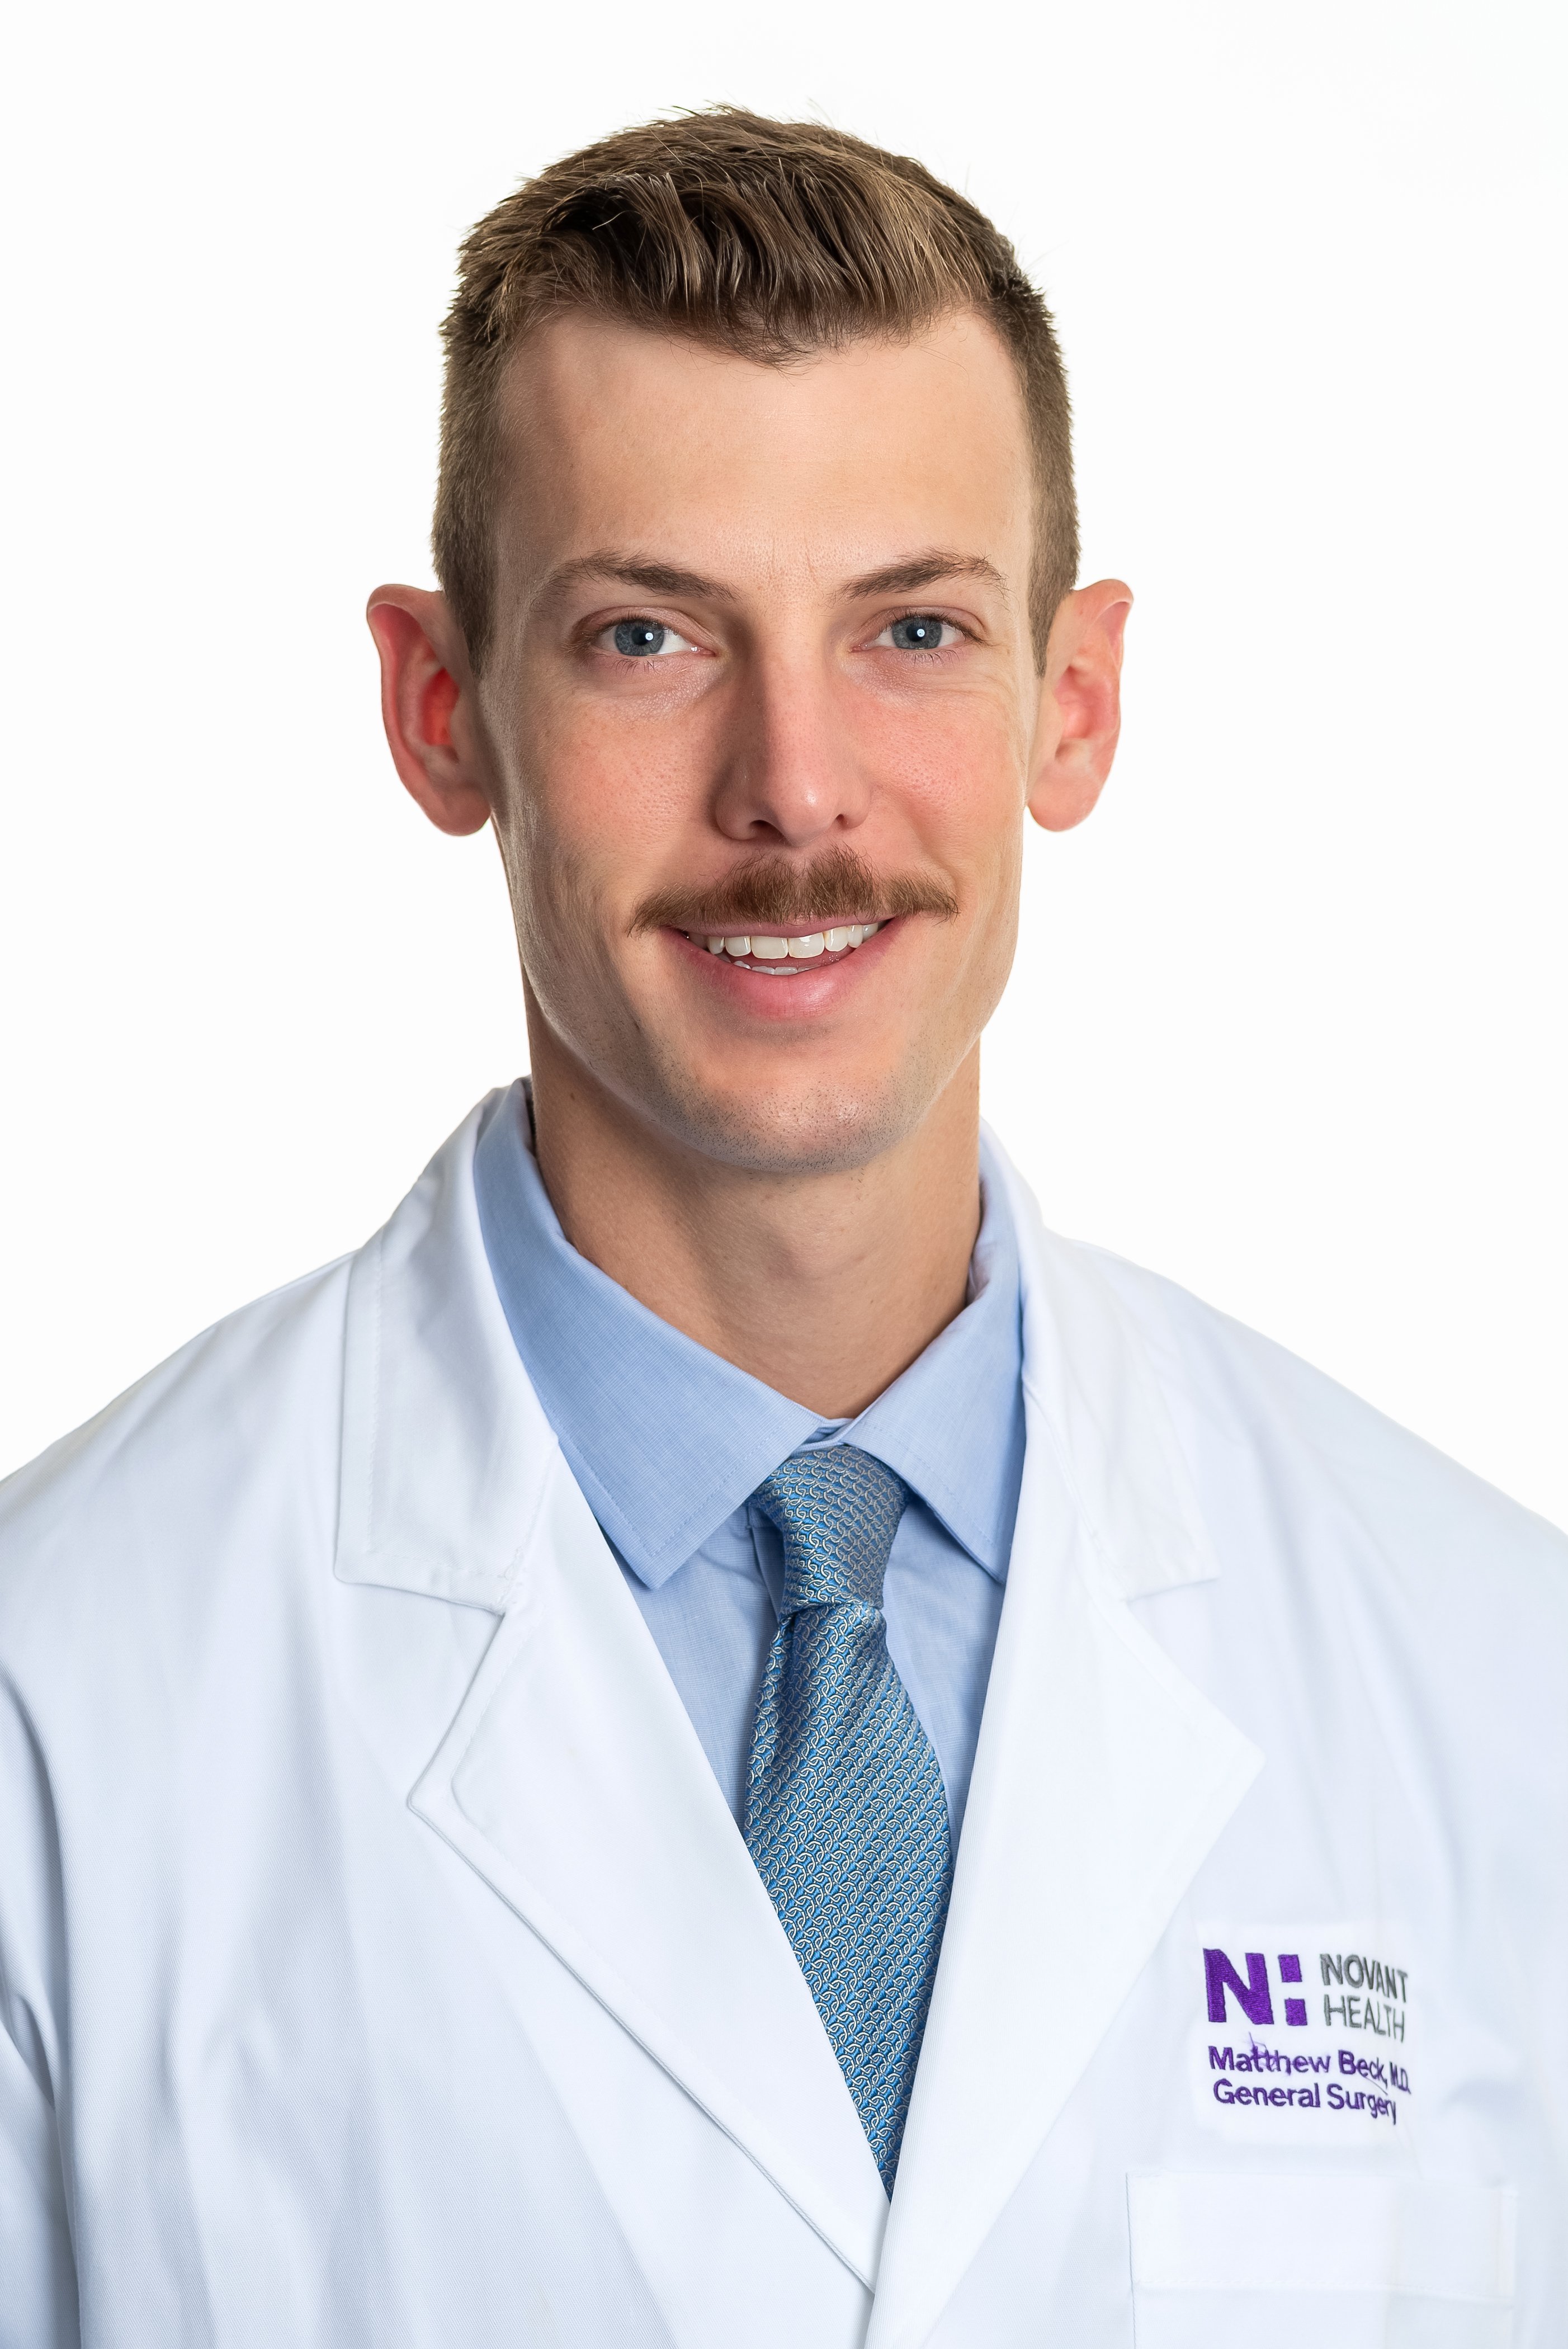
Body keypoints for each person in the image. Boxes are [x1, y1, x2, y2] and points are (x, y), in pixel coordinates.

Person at [1, 105, 1562, 2349]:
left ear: (1072, 701)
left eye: (911, 627)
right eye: (647, 636)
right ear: (441, 712)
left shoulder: (1495, 1682)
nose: (795, 791)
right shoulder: (59, 1704)